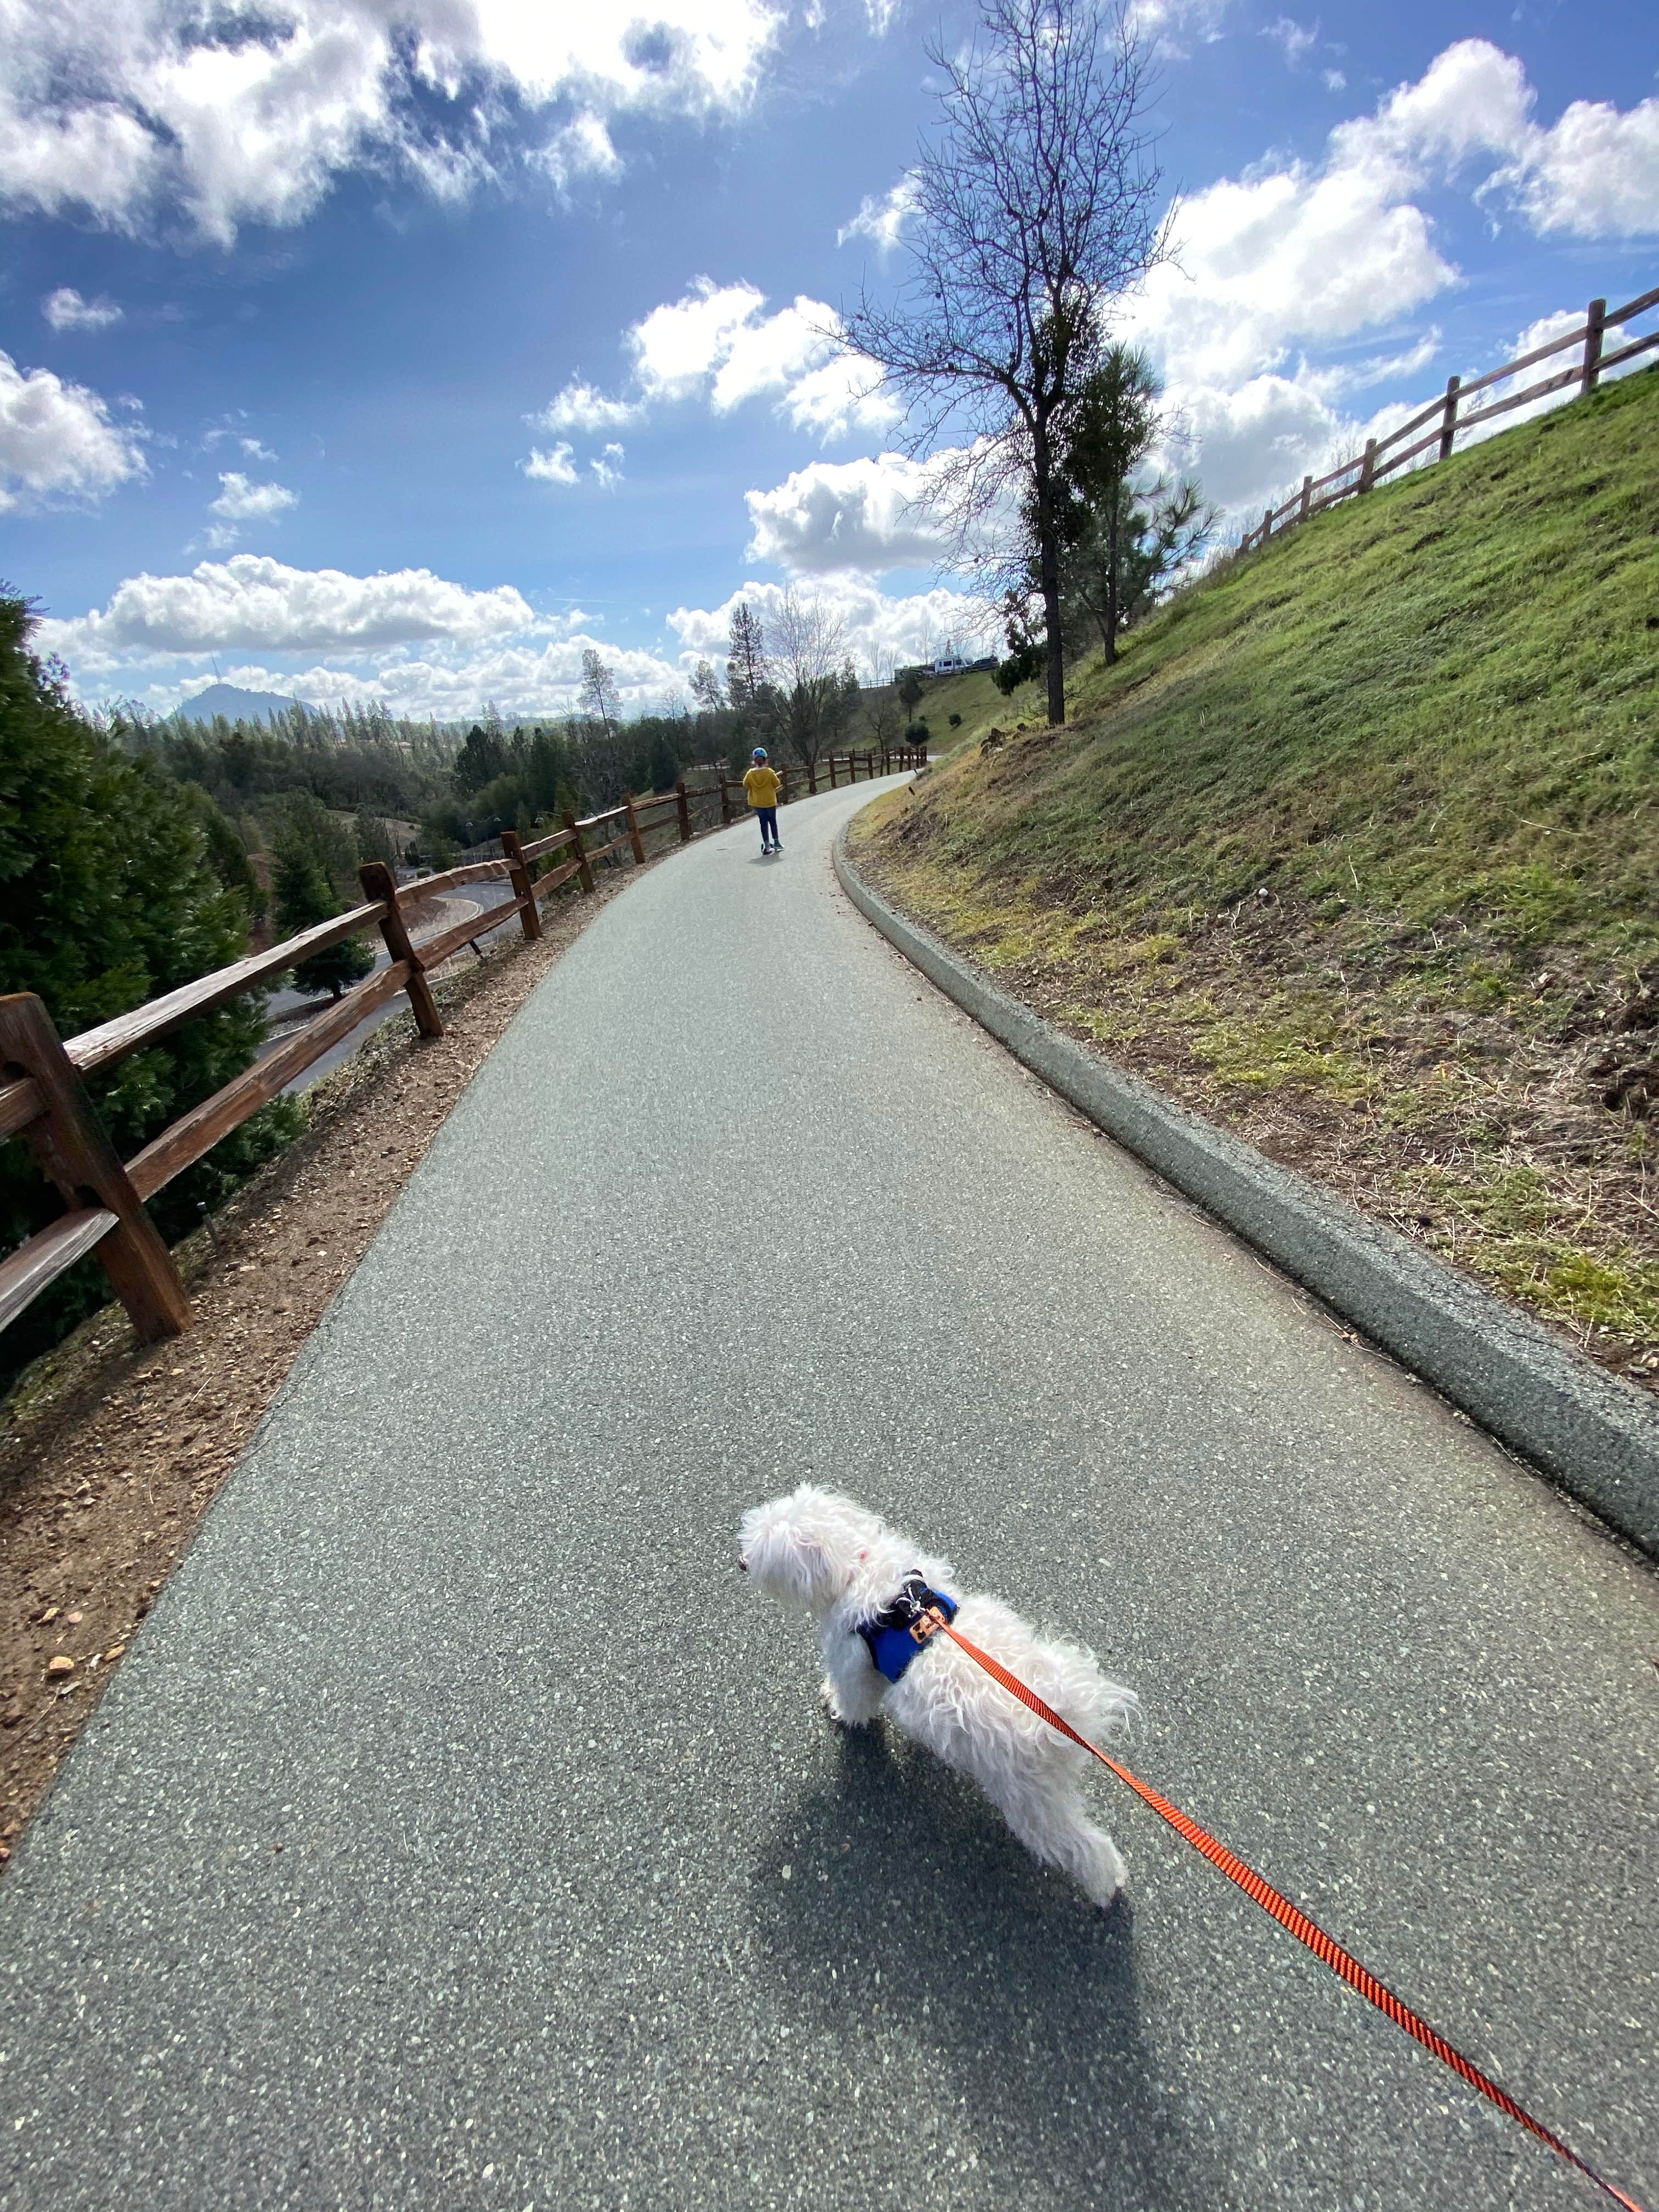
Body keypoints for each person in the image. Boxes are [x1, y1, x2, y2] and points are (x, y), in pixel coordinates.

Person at [742, 745, 782, 854]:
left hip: (758, 803)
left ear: (755, 761)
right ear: (765, 760)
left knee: (763, 824)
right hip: (770, 801)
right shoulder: (769, 772)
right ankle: (777, 843)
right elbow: (777, 783)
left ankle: (767, 845)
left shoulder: (750, 774)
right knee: (773, 822)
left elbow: (745, 784)